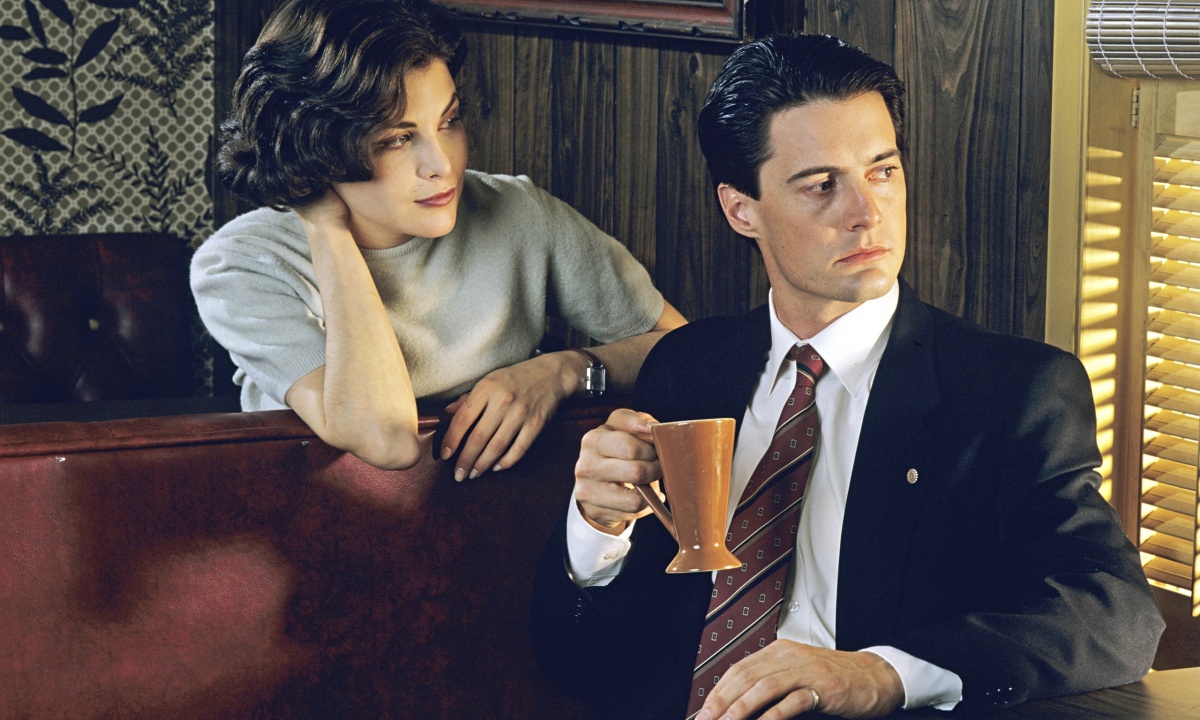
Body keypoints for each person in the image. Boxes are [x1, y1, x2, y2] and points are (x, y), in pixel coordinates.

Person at [530, 32, 1163, 720]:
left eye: (882, 171)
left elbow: (1117, 616)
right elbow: (580, 665)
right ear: (742, 209)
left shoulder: (1011, 393)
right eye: (822, 185)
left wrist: (880, 674)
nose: (867, 213)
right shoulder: (688, 370)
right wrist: (595, 532)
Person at [191, 0, 684, 473]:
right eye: (398, 139)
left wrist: (566, 370)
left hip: (506, 515)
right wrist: (326, 228)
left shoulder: (519, 213)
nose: (442, 164)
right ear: (316, 146)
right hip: (317, 521)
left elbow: (686, 350)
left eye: (448, 121)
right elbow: (385, 439)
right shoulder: (240, 266)